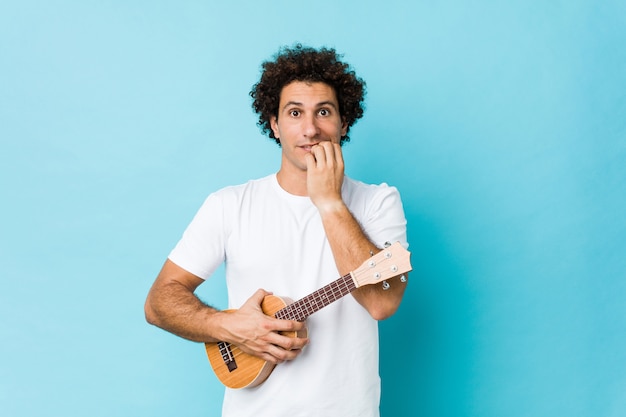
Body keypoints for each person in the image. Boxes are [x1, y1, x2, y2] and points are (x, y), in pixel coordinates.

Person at [144, 44, 409, 417]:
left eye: (324, 112)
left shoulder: (378, 202)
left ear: (344, 123)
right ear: (274, 123)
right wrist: (227, 325)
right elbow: (158, 303)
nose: (310, 129)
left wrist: (330, 202)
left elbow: (383, 302)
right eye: (295, 112)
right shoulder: (229, 204)